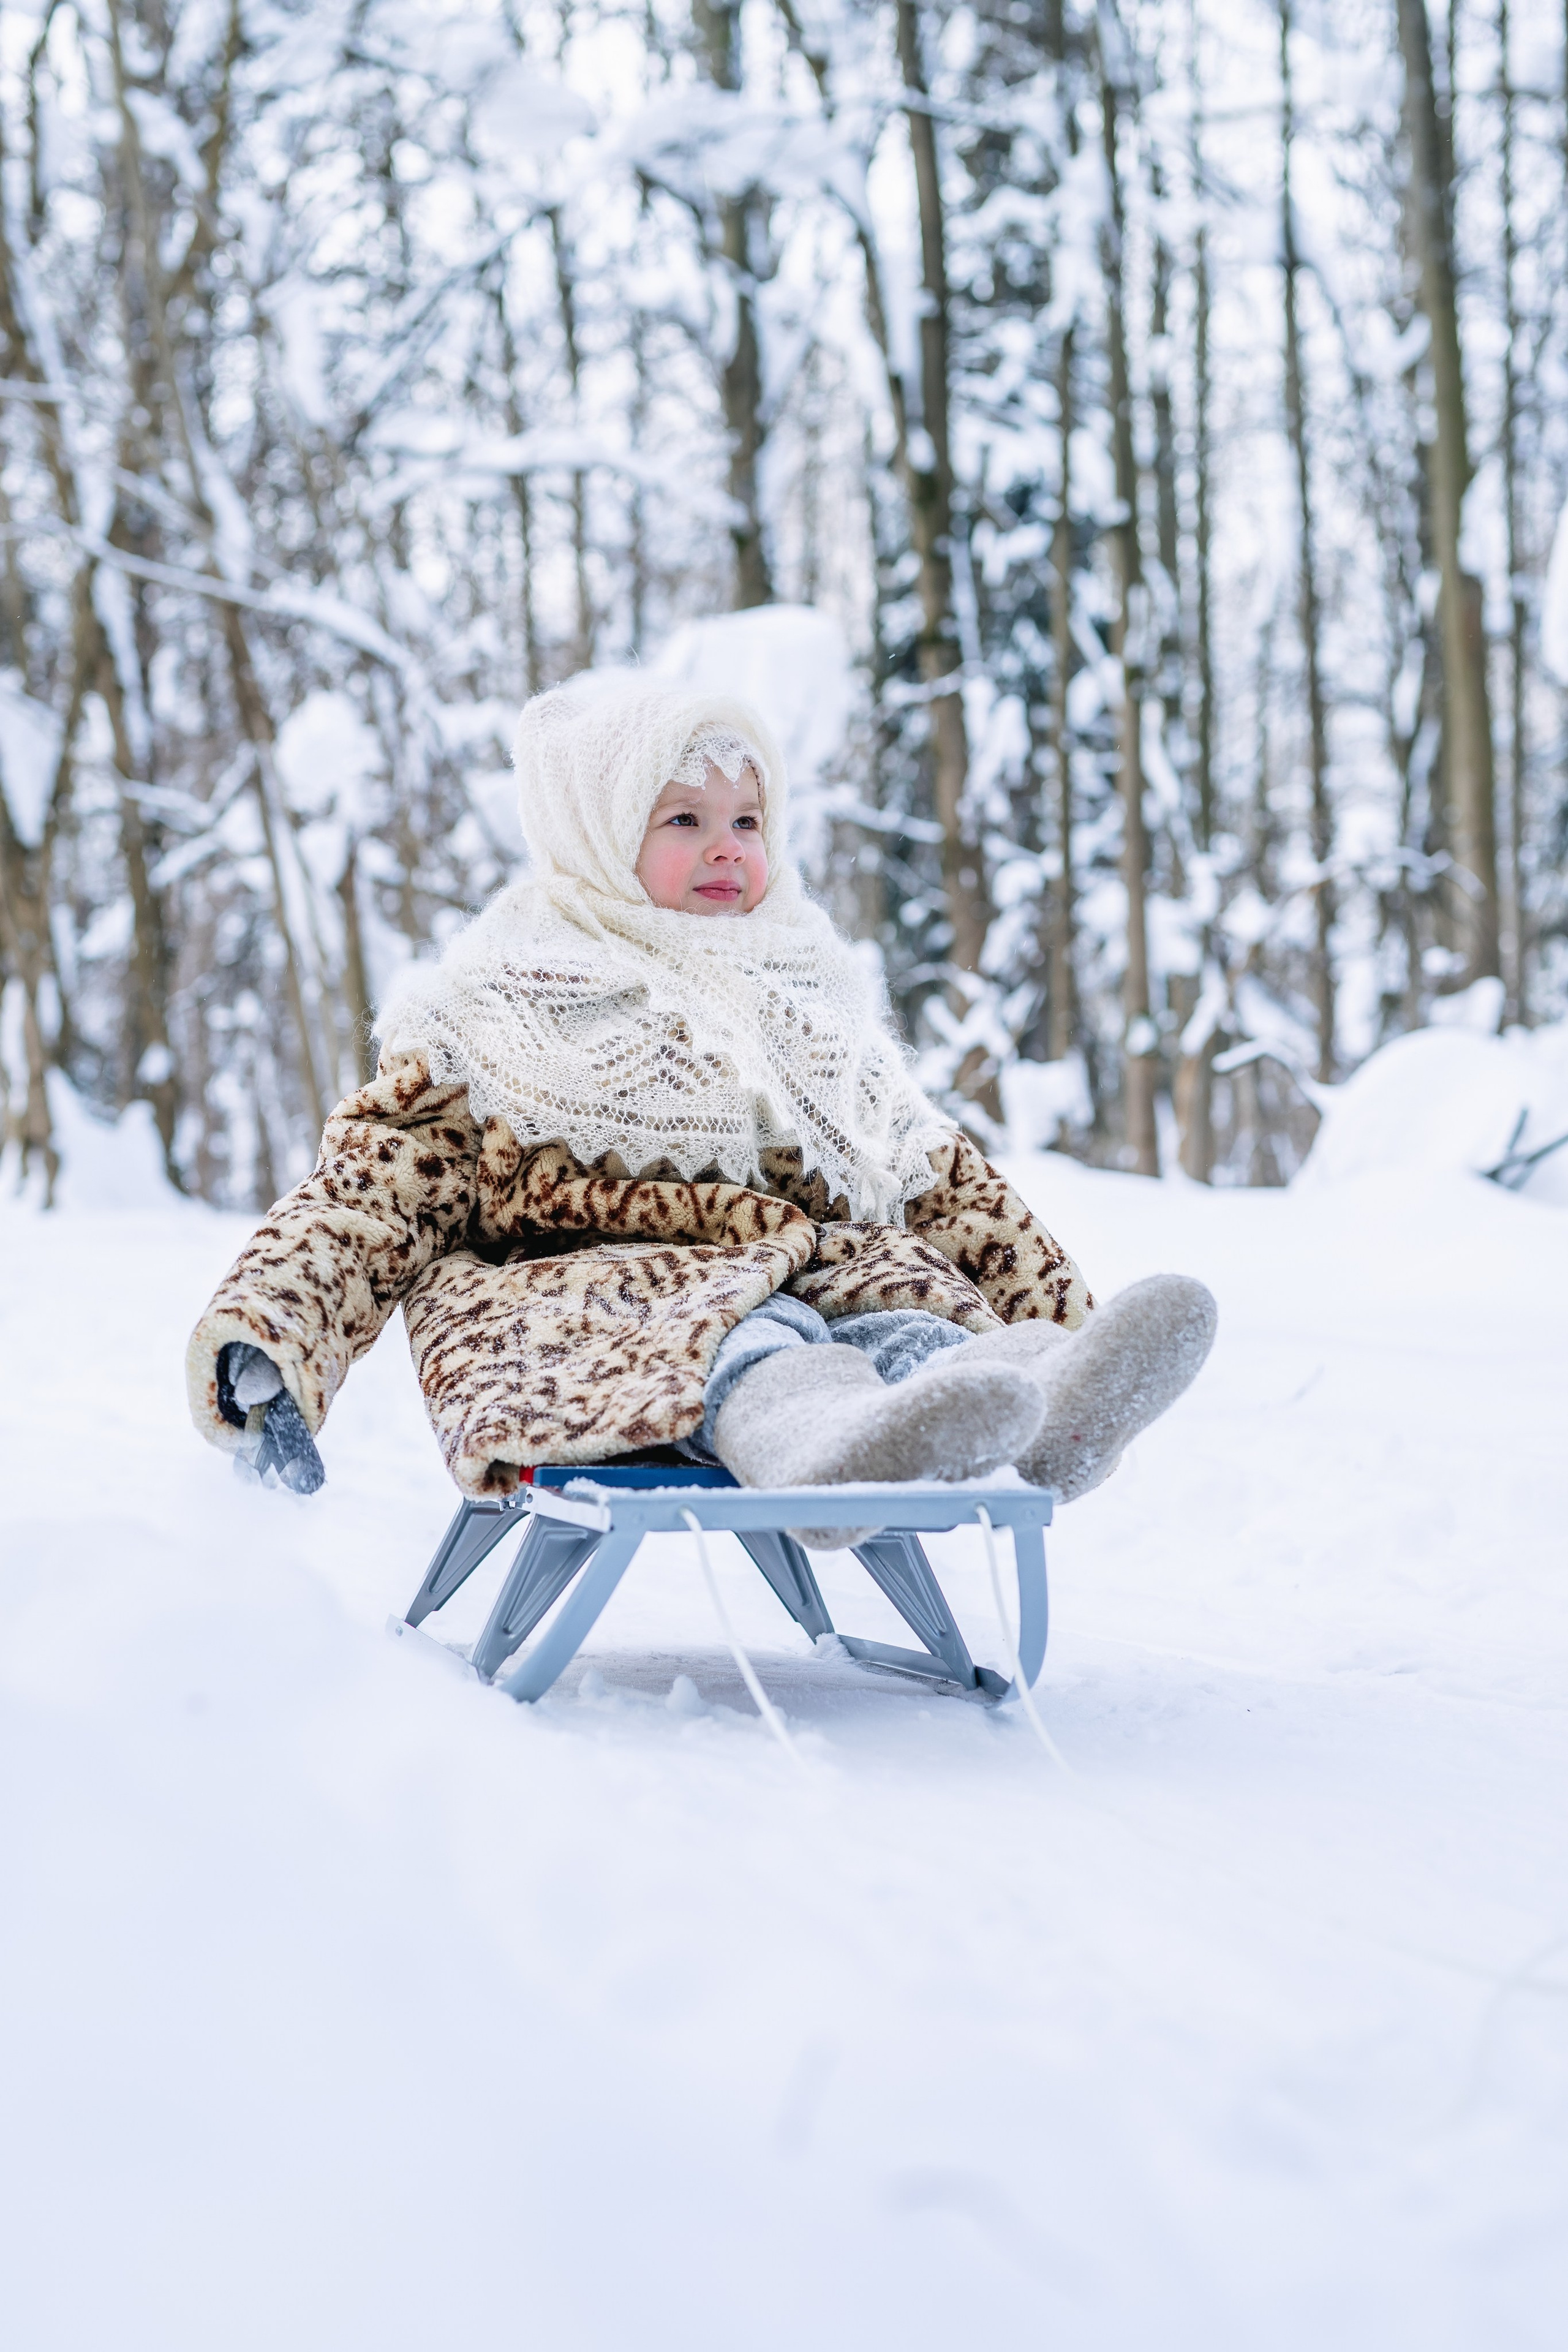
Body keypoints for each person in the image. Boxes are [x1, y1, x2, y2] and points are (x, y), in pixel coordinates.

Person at [187, 673, 1215, 1516]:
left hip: (806, 1285)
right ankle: (827, 1447)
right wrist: (271, 1335)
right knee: (752, 1339)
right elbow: (372, 1197)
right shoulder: (496, 1012)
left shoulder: (805, 1003)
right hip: (585, 1315)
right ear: (598, 833)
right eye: (684, 818)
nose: (729, 846)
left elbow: (942, 1185)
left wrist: (1065, 1323)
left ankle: (1036, 1393)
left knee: (901, 1309)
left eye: (748, 819)